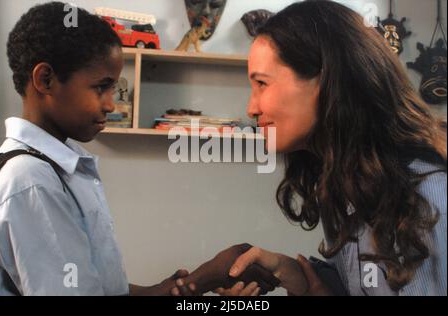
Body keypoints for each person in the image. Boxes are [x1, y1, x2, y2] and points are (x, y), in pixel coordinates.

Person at [0, 2, 278, 296]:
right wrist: (203, 280)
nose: (110, 104)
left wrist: (189, 284)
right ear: (45, 80)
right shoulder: (31, 180)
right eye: (101, 87)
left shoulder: (57, 167)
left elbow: (103, 290)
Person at [176, 0, 447, 296]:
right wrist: (289, 272)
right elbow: (367, 282)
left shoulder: (428, 195)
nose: (251, 108)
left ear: (326, 80)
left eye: (262, 84)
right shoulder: (350, 183)